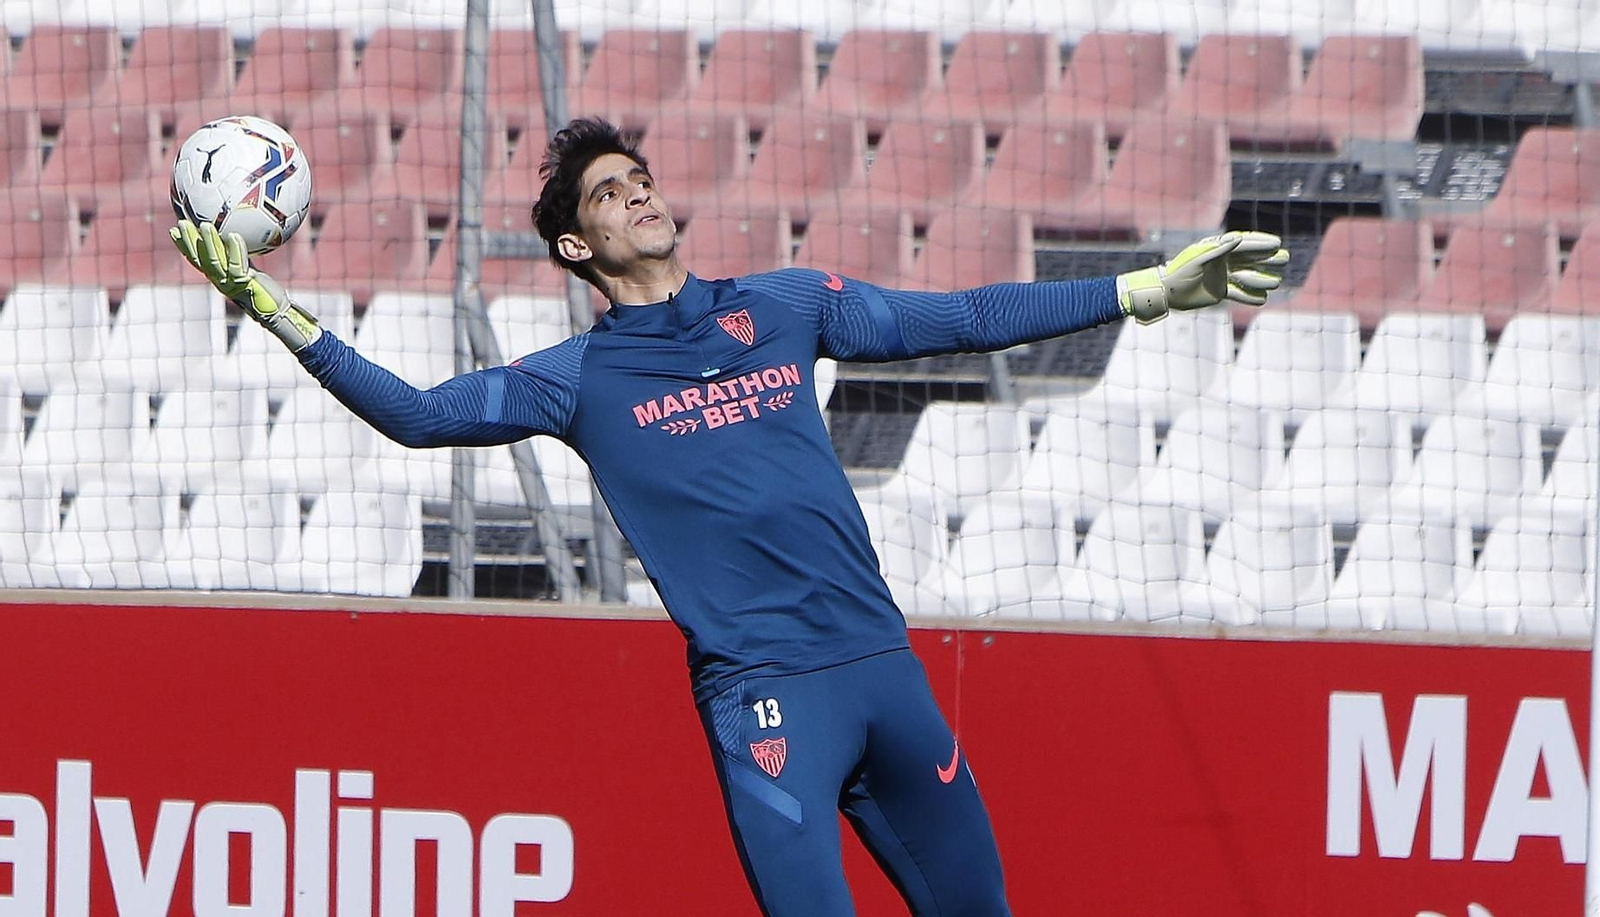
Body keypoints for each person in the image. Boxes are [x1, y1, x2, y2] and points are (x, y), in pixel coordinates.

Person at [171, 117, 1288, 917]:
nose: (637, 196)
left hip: (885, 671)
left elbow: (960, 315)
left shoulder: (785, 304)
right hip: (766, 698)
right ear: (576, 249)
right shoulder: (574, 378)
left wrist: (1143, 290)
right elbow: (419, 416)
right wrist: (275, 309)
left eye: (640, 179)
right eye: (608, 194)